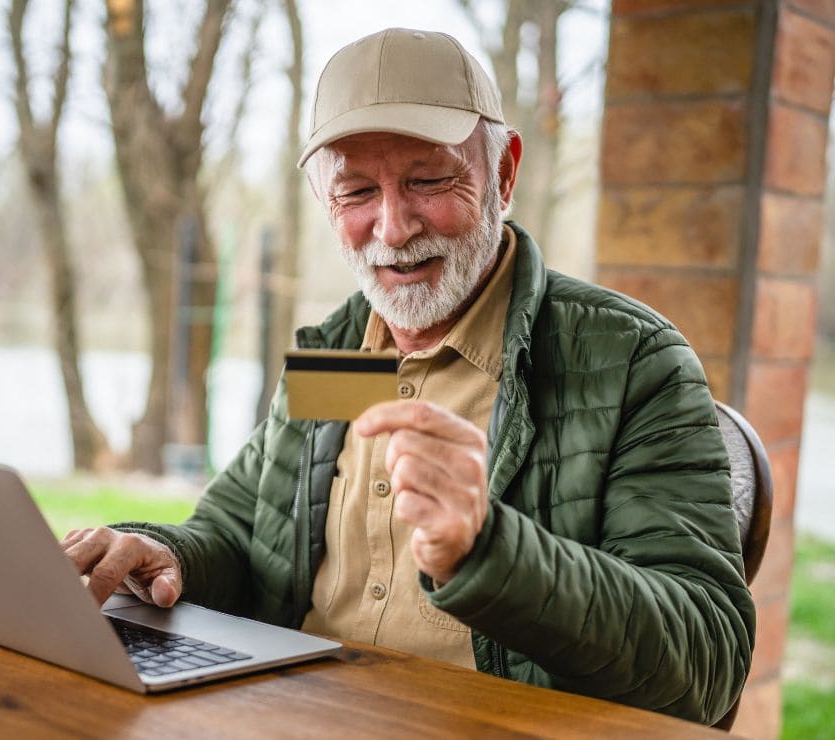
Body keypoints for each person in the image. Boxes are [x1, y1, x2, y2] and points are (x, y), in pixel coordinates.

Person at [61, 28, 754, 725]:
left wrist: (491, 552)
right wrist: (162, 551)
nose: (391, 228)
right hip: (287, 717)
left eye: (429, 180)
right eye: (357, 190)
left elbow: (707, 661)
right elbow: (242, 535)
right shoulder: (337, 349)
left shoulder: (633, 361)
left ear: (504, 174)